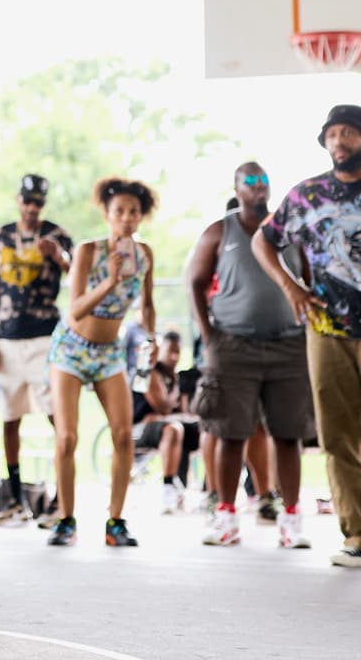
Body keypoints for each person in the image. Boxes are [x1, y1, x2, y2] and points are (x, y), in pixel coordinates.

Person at [253, 105, 361, 569]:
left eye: (349, 133)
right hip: (327, 328)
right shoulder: (307, 194)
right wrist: (289, 287)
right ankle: (356, 534)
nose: (339, 141)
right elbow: (264, 240)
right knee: (338, 436)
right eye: (332, 134)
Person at [187, 162, 313, 549]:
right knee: (231, 433)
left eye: (263, 182)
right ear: (237, 188)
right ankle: (226, 516)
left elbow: (310, 276)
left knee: (288, 434)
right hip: (233, 346)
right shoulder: (218, 231)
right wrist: (209, 336)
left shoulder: (289, 230)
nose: (258, 188)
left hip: (288, 344)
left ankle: (291, 519)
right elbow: (194, 281)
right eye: (250, 182)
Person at [47, 177, 157, 548]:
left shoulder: (144, 255)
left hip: (110, 352)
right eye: (119, 212)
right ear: (107, 215)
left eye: (133, 213)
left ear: (141, 218)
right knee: (67, 437)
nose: (126, 219)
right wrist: (109, 281)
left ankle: (115, 522)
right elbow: (75, 308)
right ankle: (65, 519)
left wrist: (150, 339)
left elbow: (147, 305)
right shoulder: (88, 252)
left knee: (124, 434)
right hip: (72, 348)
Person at [0, 174, 72, 527]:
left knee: (57, 416)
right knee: (9, 416)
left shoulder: (56, 234)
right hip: (7, 336)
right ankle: (16, 500)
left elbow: (77, 271)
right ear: (17, 199)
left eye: (38, 202)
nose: (32, 208)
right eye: (27, 200)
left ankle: (62, 502)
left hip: (44, 335)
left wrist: (59, 255)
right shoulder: (2, 234)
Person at [132, 331, 200, 514]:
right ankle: (168, 487)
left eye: (178, 352)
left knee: (201, 429)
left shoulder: (173, 376)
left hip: (166, 425)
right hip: (140, 429)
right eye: (170, 351)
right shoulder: (149, 371)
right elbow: (164, 407)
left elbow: (180, 412)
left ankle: (209, 492)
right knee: (174, 430)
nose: (174, 357)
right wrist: (177, 386)